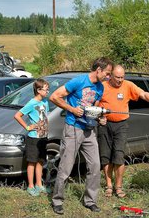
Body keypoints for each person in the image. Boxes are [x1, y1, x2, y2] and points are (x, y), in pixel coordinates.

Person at [50, 57, 114, 215]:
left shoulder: (100, 88)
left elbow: (94, 109)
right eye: (107, 73)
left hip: (89, 130)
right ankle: (57, 201)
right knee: (66, 167)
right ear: (98, 69)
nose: (109, 77)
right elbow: (54, 96)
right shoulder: (78, 81)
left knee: (94, 166)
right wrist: (71, 109)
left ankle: (90, 201)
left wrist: (101, 118)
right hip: (73, 129)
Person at [98, 65, 149, 198]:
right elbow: (94, 105)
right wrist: (98, 118)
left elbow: (143, 94)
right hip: (105, 125)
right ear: (110, 76)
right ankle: (108, 186)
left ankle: (118, 187)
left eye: (122, 77)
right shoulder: (102, 86)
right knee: (105, 157)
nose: (120, 80)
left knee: (119, 157)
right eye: (117, 77)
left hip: (121, 125)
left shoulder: (128, 85)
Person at [14, 78, 50, 196]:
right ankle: (30, 186)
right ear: (38, 90)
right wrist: (28, 127)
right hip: (33, 138)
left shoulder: (45, 102)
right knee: (32, 162)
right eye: (46, 89)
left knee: (40, 161)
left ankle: (39, 184)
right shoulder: (31, 103)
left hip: (43, 137)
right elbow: (17, 115)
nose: (47, 91)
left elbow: (45, 117)